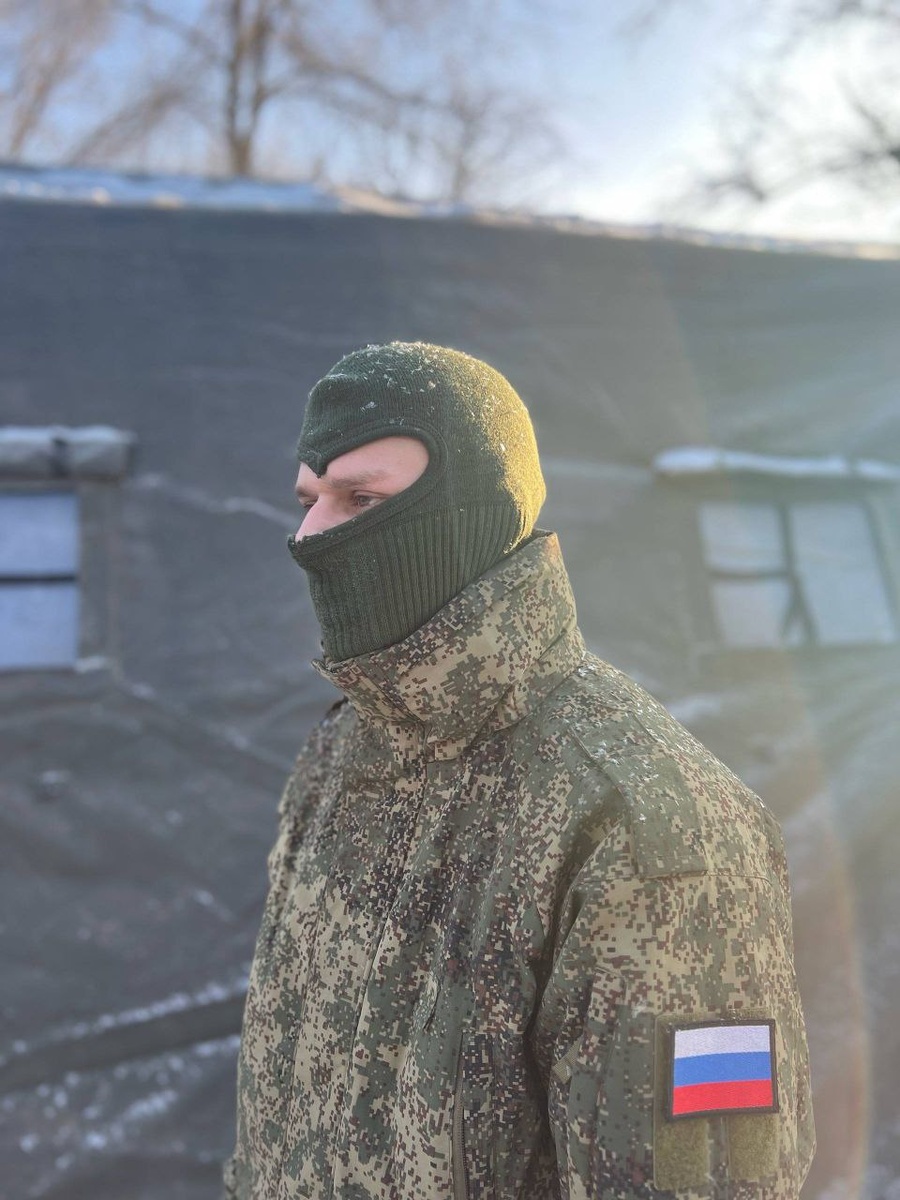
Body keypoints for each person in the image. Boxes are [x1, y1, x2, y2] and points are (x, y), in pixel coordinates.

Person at [224, 342, 815, 1199]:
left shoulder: (650, 821)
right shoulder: (343, 754)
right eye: (308, 500)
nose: (309, 537)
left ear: (472, 512)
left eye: (361, 499)